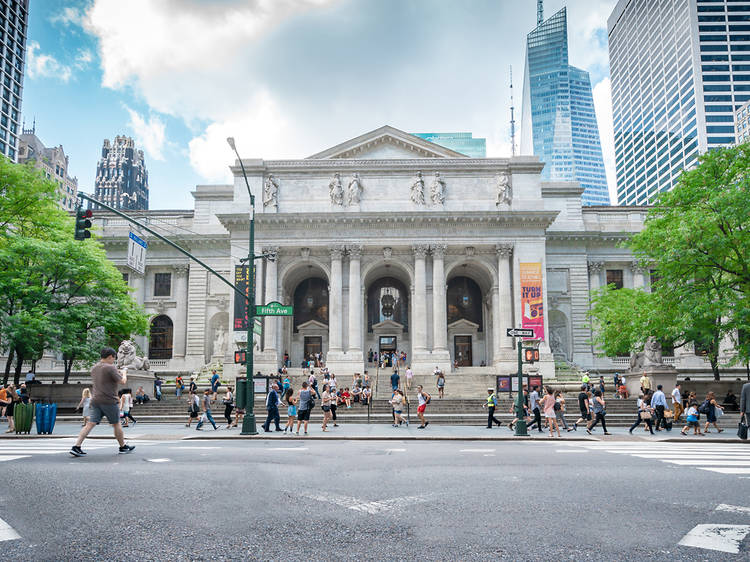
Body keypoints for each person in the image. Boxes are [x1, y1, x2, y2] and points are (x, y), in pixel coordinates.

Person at [70, 348, 135, 457]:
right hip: (109, 400)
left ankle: (76, 446)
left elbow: (105, 379)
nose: (114, 361)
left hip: (95, 400)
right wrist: (124, 373)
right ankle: (122, 447)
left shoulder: (95, 368)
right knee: (116, 424)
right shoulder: (110, 367)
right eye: (114, 358)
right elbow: (123, 381)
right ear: (110, 356)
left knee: (90, 424)